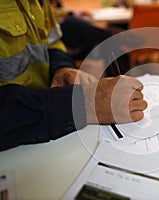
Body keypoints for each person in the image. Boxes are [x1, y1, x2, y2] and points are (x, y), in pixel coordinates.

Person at [0, 0, 147, 151]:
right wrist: (82, 103)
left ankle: (112, 36)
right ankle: (113, 36)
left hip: (48, 136)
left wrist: (62, 67)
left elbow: (52, 42)